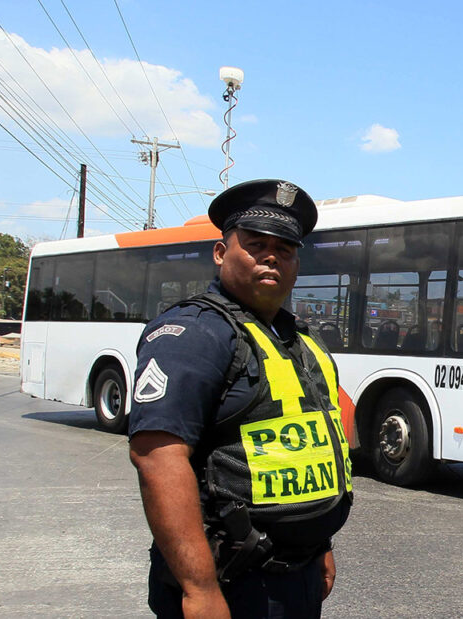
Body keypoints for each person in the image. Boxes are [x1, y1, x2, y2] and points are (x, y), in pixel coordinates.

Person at [128, 179, 352, 618]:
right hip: (233, 580)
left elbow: (312, 449)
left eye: (285, 249)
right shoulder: (195, 333)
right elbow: (157, 457)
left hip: (298, 576)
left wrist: (319, 544)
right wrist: (199, 588)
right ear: (220, 253)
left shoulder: (299, 340)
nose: (271, 256)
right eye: (255, 245)